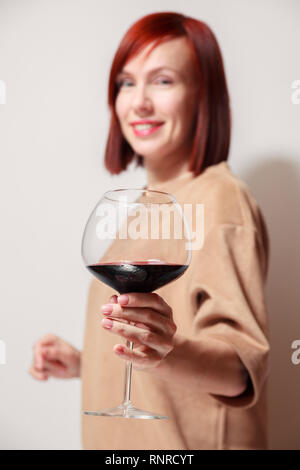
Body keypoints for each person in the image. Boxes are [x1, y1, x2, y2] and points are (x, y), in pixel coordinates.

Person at [29, 12, 270, 450]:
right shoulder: (143, 205)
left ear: (203, 96)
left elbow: (240, 369)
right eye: (125, 82)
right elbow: (158, 360)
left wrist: (168, 351)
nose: (138, 102)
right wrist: (87, 363)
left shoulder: (219, 197)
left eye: (162, 81)